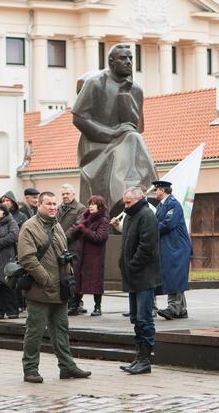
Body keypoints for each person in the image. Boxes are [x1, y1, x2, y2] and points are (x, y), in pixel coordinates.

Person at [72, 44, 158, 213]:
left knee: (133, 138)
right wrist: (111, 133)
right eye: (123, 58)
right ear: (111, 61)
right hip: (96, 146)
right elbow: (78, 118)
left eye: (130, 58)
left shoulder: (135, 90)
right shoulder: (95, 83)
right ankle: (139, 193)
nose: (128, 62)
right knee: (132, 139)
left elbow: (136, 127)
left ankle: (133, 193)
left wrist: (125, 95)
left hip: (124, 143)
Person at [17, 191, 91, 384]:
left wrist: (68, 275)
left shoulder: (57, 225)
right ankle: (30, 368)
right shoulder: (30, 227)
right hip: (40, 288)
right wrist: (45, 279)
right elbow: (27, 258)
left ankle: (67, 367)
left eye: (54, 204)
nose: (52, 207)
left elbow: (63, 251)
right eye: (48, 204)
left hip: (61, 288)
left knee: (61, 329)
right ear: (39, 205)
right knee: (35, 330)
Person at [117, 186, 161, 375]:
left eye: (128, 202)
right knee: (136, 318)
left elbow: (146, 246)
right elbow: (126, 242)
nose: (125, 206)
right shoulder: (129, 216)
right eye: (124, 202)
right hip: (132, 276)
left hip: (143, 275)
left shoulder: (146, 215)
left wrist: (132, 265)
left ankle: (145, 359)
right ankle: (138, 356)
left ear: (139, 199)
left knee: (144, 318)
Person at [153, 181, 193, 321]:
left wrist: (149, 229)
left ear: (163, 190)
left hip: (178, 247)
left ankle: (173, 309)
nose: (154, 192)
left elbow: (168, 224)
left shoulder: (173, 204)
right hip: (171, 246)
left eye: (156, 189)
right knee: (175, 277)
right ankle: (181, 310)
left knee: (175, 277)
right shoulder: (162, 205)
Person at [67, 195, 110, 316]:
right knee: (78, 279)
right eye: (89, 204)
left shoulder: (103, 220)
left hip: (95, 257)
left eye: (93, 204)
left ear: (100, 206)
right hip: (81, 254)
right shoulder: (86, 218)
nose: (90, 206)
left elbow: (100, 237)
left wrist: (84, 229)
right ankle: (75, 305)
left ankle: (97, 307)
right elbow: (75, 234)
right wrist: (79, 228)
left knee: (95, 281)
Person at [59, 184, 88, 315]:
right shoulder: (58, 208)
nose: (65, 196)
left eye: (67, 194)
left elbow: (77, 226)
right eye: (63, 194)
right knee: (61, 275)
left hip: (73, 246)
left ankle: (75, 303)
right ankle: (66, 301)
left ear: (73, 194)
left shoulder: (81, 208)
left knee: (73, 276)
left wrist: (61, 238)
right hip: (59, 247)